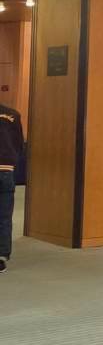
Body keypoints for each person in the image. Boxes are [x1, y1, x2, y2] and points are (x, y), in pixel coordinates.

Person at [0, 100, 24, 273]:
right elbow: (19, 144)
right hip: (6, 171)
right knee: (4, 216)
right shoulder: (13, 114)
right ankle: (1, 257)